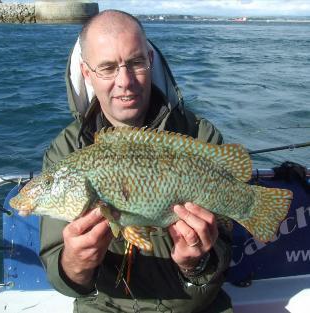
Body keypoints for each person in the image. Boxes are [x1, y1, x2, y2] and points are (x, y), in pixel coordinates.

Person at [40, 9, 233, 313]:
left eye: (135, 63)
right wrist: (74, 264)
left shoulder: (199, 136)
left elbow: (225, 252)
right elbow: (61, 274)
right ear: (87, 73)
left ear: (151, 61)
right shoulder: (66, 151)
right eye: (107, 67)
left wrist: (196, 264)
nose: (125, 81)